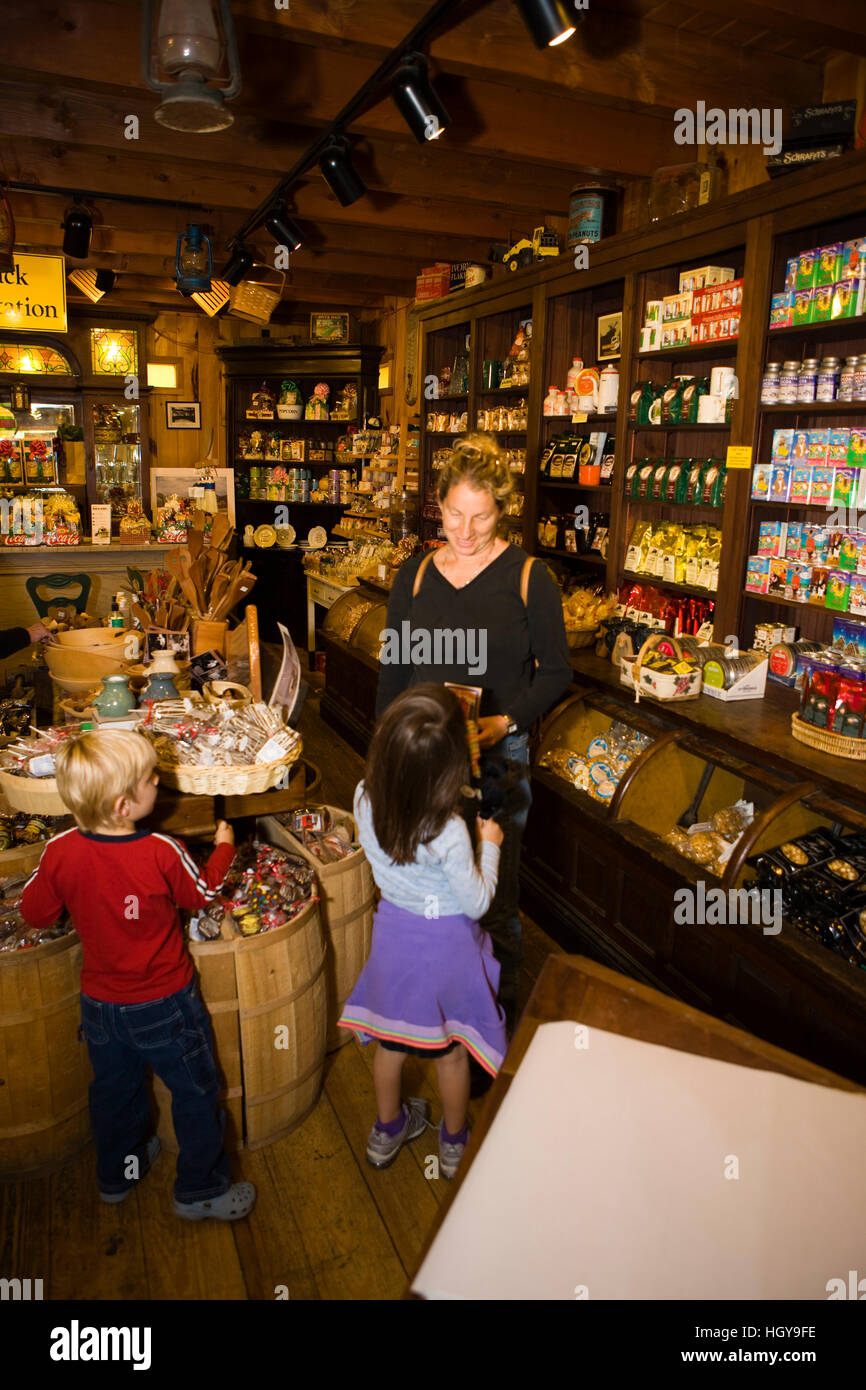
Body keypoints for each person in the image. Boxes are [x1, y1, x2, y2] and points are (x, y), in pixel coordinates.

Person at [376, 433, 571, 1031]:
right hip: (423, 759)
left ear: (502, 509)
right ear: (438, 504)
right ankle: (433, 1017)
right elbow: (394, 674)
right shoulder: (412, 577)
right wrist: (380, 764)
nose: (464, 530)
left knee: (494, 900)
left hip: (497, 761)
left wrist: (503, 721)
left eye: (480, 517)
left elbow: (558, 672)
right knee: (421, 894)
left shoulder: (529, 577)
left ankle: (493, 1021)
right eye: (454, 514)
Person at [20, 730, 256, 1222]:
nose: (159, 782)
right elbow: (204, 892)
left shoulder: (60, 849)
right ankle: (200, 1190)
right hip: (165, 1002)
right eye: (153, 778)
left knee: (115, 1092)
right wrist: (224, 845)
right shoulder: (161, 851)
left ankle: (119, 1176)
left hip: (101, 1007)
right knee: (194, 1093)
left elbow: (37, 914)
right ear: (125, 804)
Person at [338, 685, 505, 1179]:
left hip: (393, 934)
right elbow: (476, 902)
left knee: (391, 1043)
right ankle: (453, 1145)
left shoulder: (365, 797)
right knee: (450, 1054)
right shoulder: (451, 831)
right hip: (447, 945)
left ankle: (387, 1130)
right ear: (450, 767)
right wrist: (490, 845)